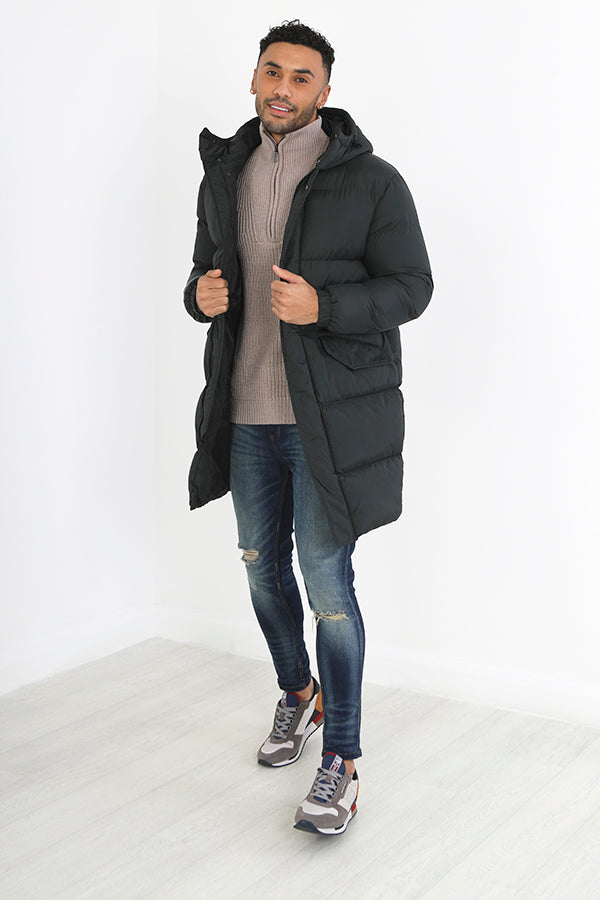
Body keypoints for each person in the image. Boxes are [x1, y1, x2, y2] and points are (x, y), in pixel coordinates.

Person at [183, 19, 433, 835]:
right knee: (261, 569)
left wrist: (324, 305)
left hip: (327, 421)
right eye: (272, 72)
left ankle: (343, 762)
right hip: (246, 411)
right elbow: (203, 271)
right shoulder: (227, 171)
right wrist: (198, 297)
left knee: (328, 587)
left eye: (301, 78)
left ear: (326, 91)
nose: (283, 89)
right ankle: (299, 692)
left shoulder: (372, 182)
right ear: (255, 78)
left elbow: (412, 287)